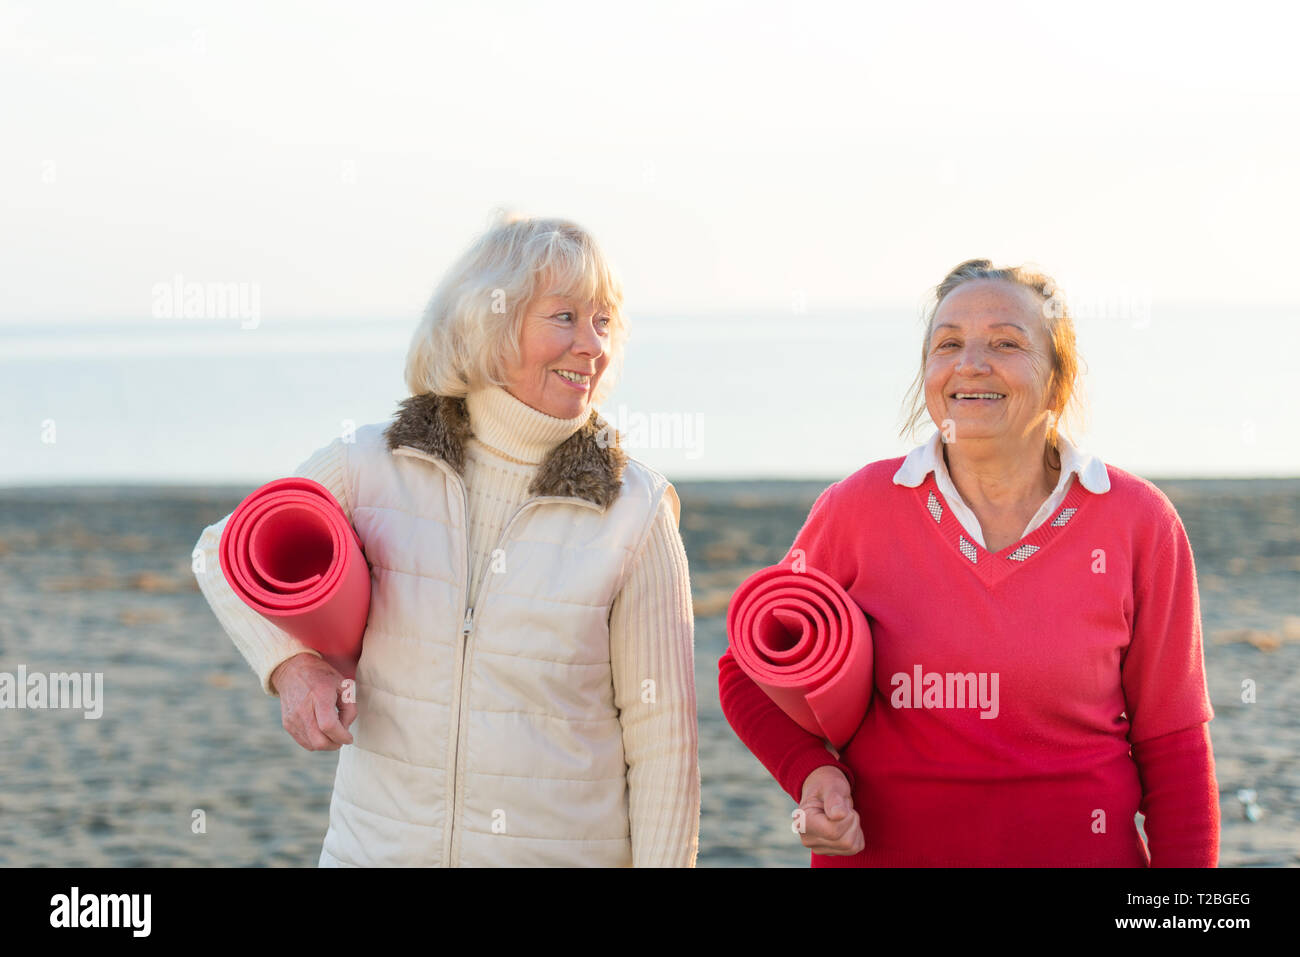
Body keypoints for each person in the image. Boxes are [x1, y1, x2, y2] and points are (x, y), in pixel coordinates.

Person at [194, 212, 699, 867]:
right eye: (564, 317)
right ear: (489, 320)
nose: (592, 346)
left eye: (604, 321)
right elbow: (219, 550)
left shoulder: (635, 510)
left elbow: (663, 742)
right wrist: (291, 665)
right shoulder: (371, 463)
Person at [718, 259, 1218, 867]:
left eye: (1006, 343)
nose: (970, 363)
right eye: (947, 344)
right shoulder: (858, 507)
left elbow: (1174, 747)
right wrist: (811, 773)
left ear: (1059, 380)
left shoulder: (1140, 521)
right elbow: (746, 671)